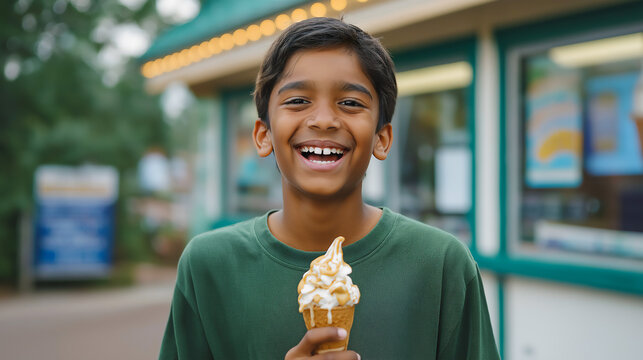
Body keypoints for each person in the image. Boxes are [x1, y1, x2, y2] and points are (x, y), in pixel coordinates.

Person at [159, 17, 500, 360]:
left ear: (382, 139)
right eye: (297, 101)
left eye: (351, 103)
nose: (323, 120)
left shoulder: (441, 266)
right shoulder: (209, 266)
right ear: (264, 136)